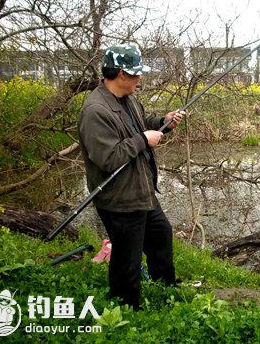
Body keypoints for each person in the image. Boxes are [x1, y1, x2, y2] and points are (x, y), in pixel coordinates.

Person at [78, 43, 186, 310]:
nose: (140, 78)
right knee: (127, 257)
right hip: (119, 198)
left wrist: (165, 121)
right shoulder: (95, 111)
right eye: (137, 73)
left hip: (142, 190)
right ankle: (126, 307)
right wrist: (142, 140)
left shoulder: (129, 100)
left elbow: (143, 124)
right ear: (122, 75)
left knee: (161, 235)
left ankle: (166, 289)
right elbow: (108, 158)